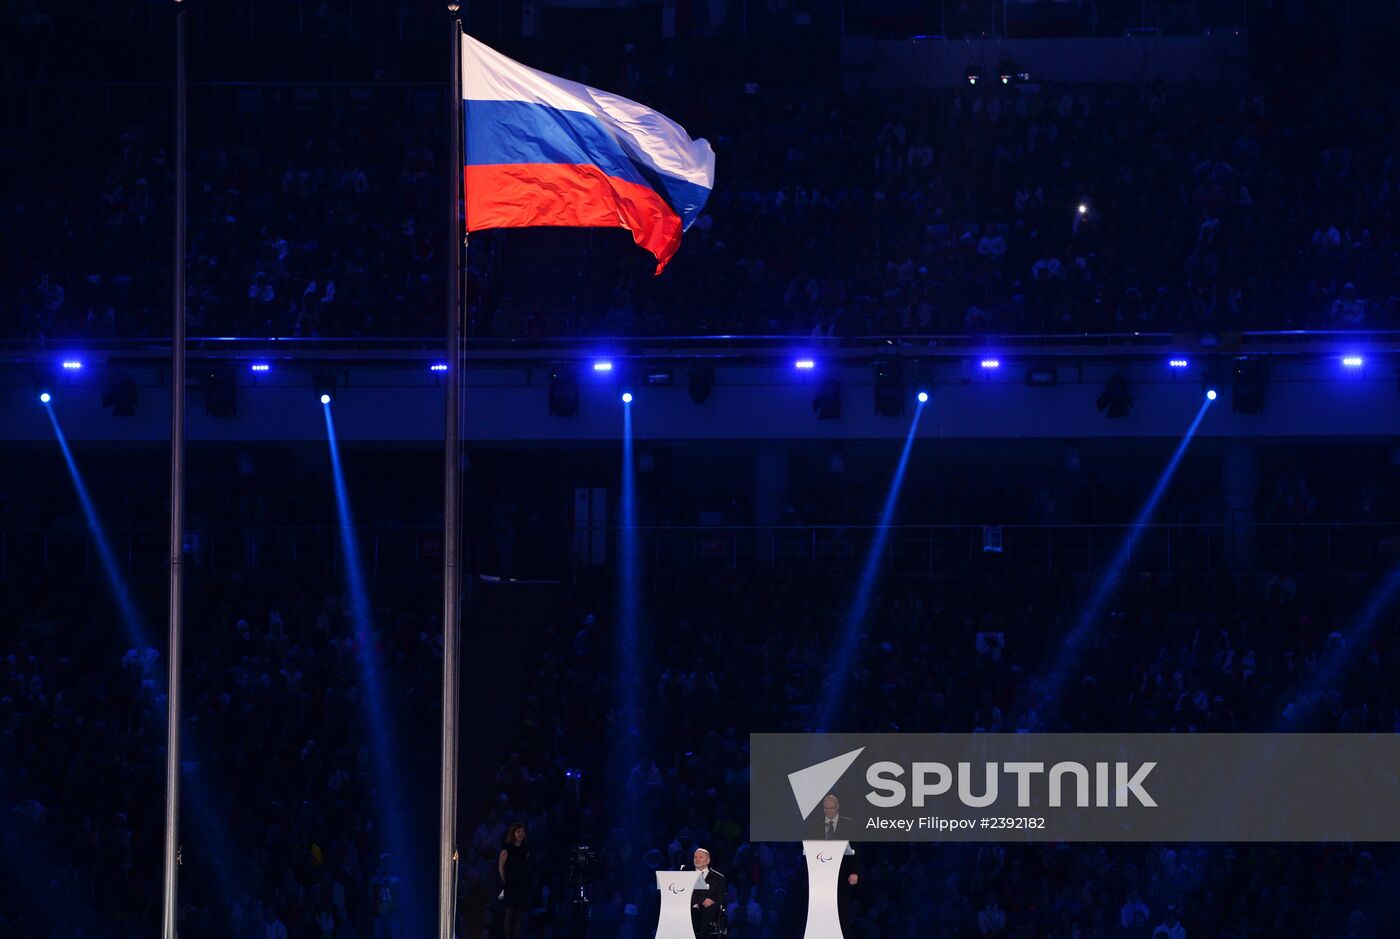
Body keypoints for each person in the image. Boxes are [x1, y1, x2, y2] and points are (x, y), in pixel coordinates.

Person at [498, 823, 532, 938]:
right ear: (513, 833)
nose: (520, 834)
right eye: (518, 832)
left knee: (519, 917)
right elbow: (501, 868)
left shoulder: (525, 850)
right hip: (510, 887)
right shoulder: (506, 850)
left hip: (521, 887)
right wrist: (506, 882)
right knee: (509, 916)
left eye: (522, 831)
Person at [689, 847, 727, 937]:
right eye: (695, 857)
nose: (697, 859)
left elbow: (721, 897)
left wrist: (712, 901)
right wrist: (702, 900)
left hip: (709, 910)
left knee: (709, 910)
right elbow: (684, 894)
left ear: (708, 860)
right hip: (690, 908)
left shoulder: (719, 878)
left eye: (700, 857)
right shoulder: (687, 876)